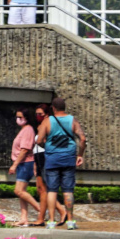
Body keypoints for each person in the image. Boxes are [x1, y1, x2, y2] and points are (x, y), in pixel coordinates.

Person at [36, 97, 86, 230]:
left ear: (53, 108)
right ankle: (70, 221)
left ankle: (51, 221)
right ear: (64, 107)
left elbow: (39, 140)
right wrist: (80, 155)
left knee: (52, 190)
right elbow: (82, 138)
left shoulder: (47, 121)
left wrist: (46, 144)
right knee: (68, 190)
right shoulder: (72, 120)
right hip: (69, 158)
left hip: (52, 158)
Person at [31, 103, 66, 226]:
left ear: (47, 114)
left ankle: (42, 218)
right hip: (38, 157)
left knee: (45, 189)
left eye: (40, 114)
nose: (38, 116)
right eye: (36, 114)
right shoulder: (42, 125)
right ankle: (61, 210)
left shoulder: (49, 124)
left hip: (44, 156)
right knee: (41, 189)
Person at [8, 107, 41, 227]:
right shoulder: (24, 130)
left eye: (20, 117)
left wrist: (14, 165)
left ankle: (41, 210)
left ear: (26, 118)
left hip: (26, 163)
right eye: (17, 117)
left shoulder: (28, 130)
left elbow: (24, 149)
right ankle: (24, 218)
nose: (18, 119)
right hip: (22, 164)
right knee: (21, 192)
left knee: (18, 190)